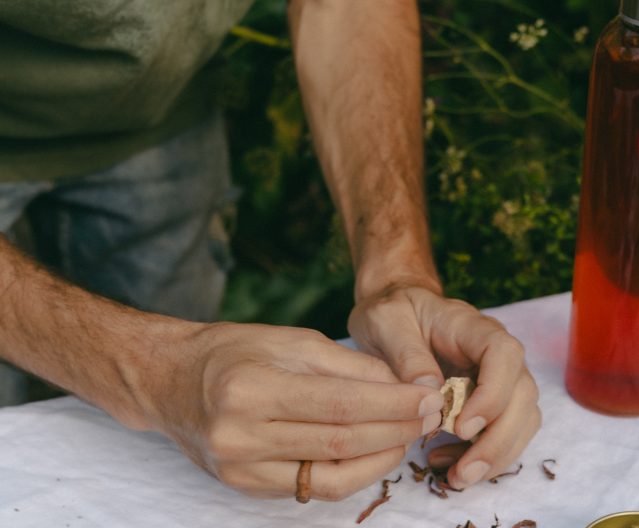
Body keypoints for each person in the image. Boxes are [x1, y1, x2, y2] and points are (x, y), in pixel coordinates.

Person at [0, 0, 541, 501]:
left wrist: (396, 276)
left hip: (158, 114)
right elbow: (162, 375)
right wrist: (154, 372)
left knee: (179, 448)